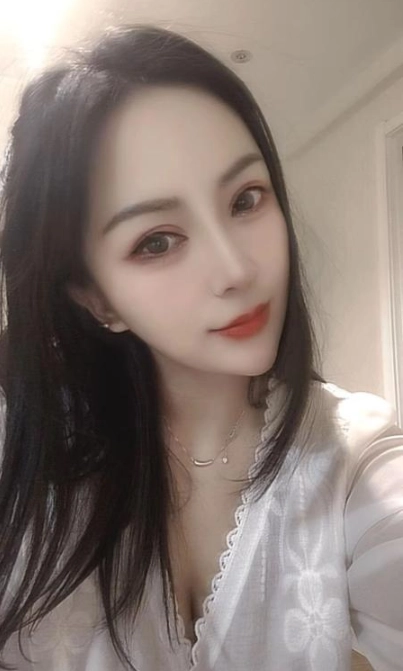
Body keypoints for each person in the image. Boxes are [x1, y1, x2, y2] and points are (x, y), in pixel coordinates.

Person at [0, 24, 401, 671]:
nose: (236, 269)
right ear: (98, 300)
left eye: (245, 199)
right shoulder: (28, 463)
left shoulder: (358, 458)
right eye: (156, 241)